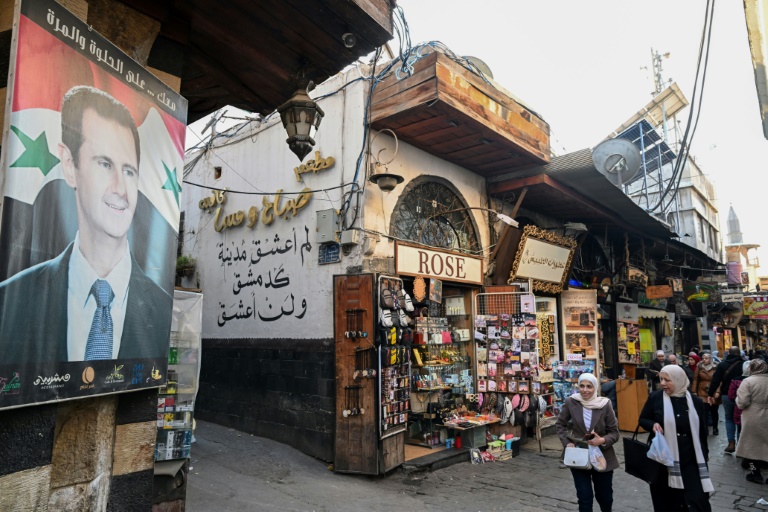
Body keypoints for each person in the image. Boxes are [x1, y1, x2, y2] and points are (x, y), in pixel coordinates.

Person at [0, 86, 172, 363]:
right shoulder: (11, 300)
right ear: (69, 165)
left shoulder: (164, 311)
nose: (120, 189)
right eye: (105, 164)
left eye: (128, 171)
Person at [639, 365, 712, 511]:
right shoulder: (656, 398)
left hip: (690, 458)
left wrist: (704, 455)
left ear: (679, 380)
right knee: (666, 498)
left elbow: (701, 431)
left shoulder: (695, 402)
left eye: (667, 380)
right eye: (661, 379)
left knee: (695, 498)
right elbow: (643, 419)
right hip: (663, 459)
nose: (663, 383)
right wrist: (653, 425)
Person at [556, 373, 620, 512]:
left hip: (602, 456)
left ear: (595, 388)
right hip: (579, 455)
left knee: (605, 497)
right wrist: (567, 442)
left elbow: (614, 432)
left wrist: (602, 440)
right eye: (582, 386)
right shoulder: (571, 401)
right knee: (584, 497)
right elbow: (560, 424)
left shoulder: (604, 404)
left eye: (589, 387)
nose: (585, 390)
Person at [708, 346, 747, 453]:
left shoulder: (722, 365)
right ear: (739, 354)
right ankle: (740, 444)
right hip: (742, 394)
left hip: (727, 395)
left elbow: (715, 380)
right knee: (741, 419)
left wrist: (710, 393)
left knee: (729, 418)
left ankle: (731, 443)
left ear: (728, 353)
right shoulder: (744, 364)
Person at [735, 359, 768, 484]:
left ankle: (755, 473)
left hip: (753, 415)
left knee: (752, 446)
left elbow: (742, 402)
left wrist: (738, 402)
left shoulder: (748, 381)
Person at [693, 353, 720, 435]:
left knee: (714, 411)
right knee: (704, 411)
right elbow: (695, 379)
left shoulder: (716, 367)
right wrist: (694, 391)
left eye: (706, 358)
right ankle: (705, 429)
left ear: (710, 359)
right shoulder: (699, 367)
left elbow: (719, 380)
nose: (704, 360)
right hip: (702, 390)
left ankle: (715, 428)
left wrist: (718, 391)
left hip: (713, 389)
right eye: (703, 358)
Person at [728, 361, 749, 443]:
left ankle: (740, 447)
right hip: (754, 410)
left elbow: (731, 396)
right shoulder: (757, 381)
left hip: (739, 408)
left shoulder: (736, 381)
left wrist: (737, 400)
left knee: (740, 429)